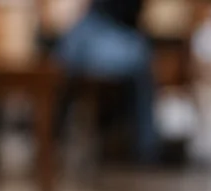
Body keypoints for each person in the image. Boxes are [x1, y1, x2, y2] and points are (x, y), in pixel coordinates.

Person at [55, 0, 158, 162]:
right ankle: (146, 147)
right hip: (103, 34)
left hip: (90, 34)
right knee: (141, 58)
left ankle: (54, 138)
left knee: (63, 71)